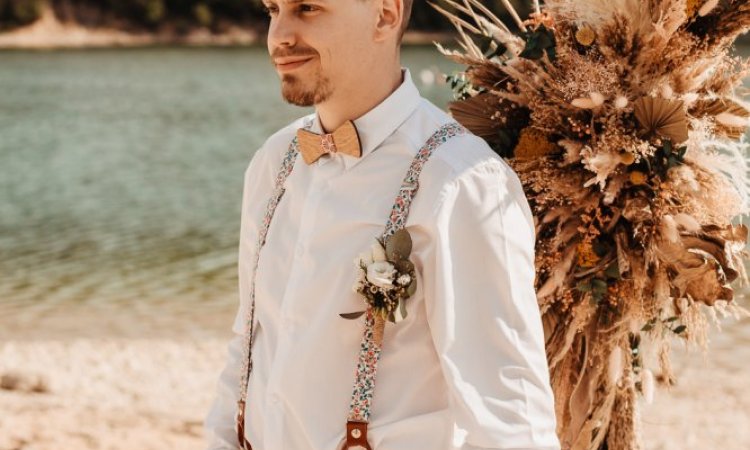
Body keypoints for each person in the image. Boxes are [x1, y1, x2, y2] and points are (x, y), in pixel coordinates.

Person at [203, 0, 561, 449]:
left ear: (385, 15)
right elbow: (249, 339)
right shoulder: (273, 162)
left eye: (307, 8)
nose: (279, 36)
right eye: (273, 9)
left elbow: (510, 413)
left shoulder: (460, 181)